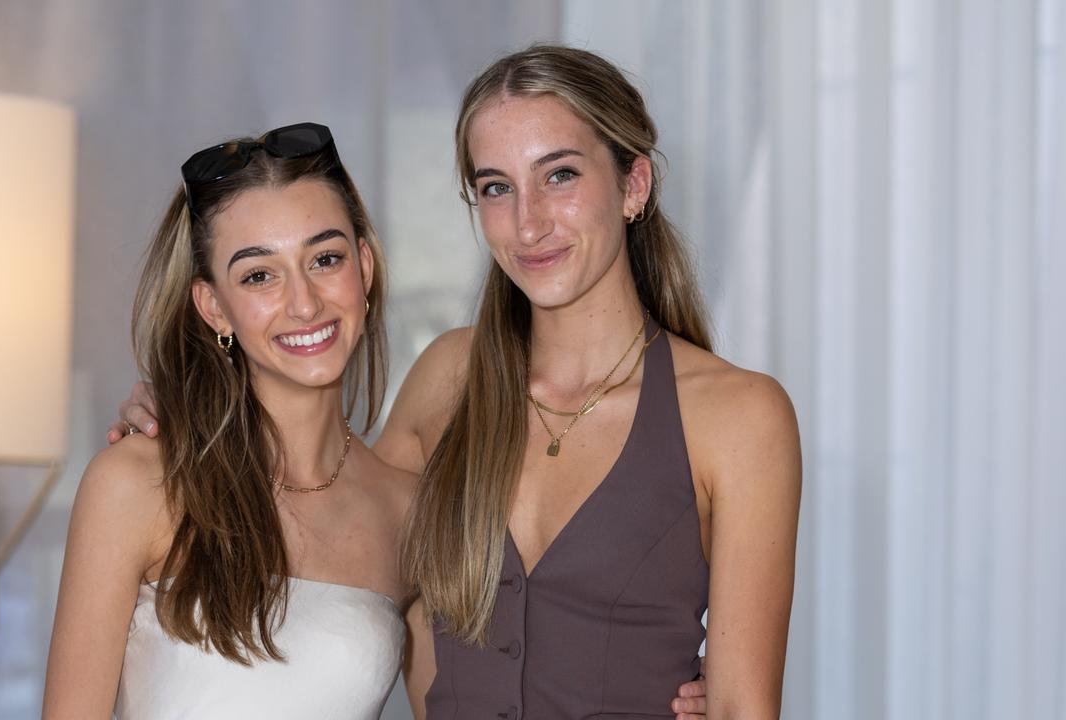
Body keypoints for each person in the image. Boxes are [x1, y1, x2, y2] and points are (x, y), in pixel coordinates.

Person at [114, 44, 799, 719]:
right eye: (496, 187)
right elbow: (332, 542)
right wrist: (187, 413)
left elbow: (742, 704)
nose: (528, 222)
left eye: (558, 175)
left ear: (633, 185)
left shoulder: (738, 418)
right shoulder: (447, 378)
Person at [45, 122, 417, 719]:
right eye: (259, 275)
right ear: (213, 306)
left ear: (364, 269)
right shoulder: (136, 484)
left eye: (325, 259)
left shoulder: (409, 512)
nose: (304, 303)